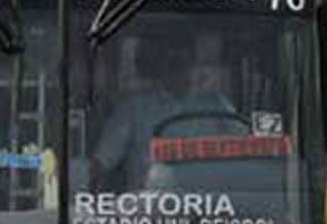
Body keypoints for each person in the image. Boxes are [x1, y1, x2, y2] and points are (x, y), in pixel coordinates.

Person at [91, 33, 239, 190]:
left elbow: (248, 156)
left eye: (184, 60)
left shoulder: (217, 106)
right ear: (158, 65)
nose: (178, 68)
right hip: (148, 207)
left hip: (214, 206)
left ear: (194, 63)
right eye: (172, 61)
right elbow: (102, 162)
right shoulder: (133, 108)